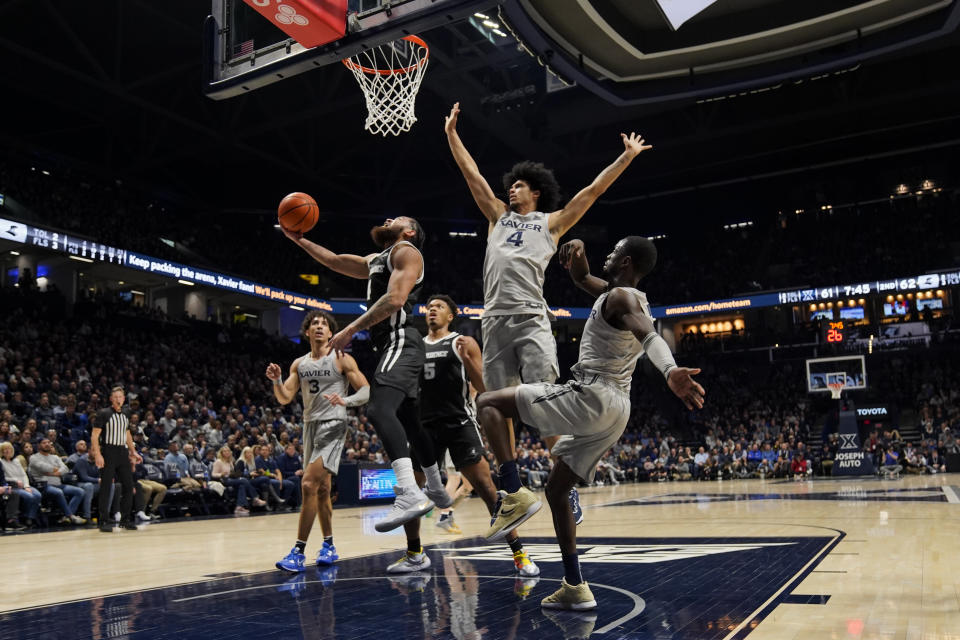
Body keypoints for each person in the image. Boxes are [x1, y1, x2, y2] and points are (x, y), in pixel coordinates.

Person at [445, 102, 653, 525]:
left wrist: (626, 157)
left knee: (546, 397)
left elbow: (591, 192)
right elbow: (473, 176)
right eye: (512, 186)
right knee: (496, 408)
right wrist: (452, 134)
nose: (512, 190)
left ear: (535, 191)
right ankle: (512, 487)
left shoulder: (551, 223)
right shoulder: (497, 217)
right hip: (494, 321)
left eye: (520, 185)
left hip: (531, 317)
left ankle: (565, 484)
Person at [477, 236, 704, 610]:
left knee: (487, 401)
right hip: (618, 409)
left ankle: (513, 490)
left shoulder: (623, 298)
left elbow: (649, 337)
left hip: (593, 394)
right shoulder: (613, 293)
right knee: (557, 491)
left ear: (626, 262)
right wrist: (578, 247)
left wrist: (669, 370)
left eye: (614, 252)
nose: (608, 255)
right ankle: (575, 585)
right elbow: (582, 277)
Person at [282, 216, 451, 531]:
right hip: (389, 345)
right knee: (411, 421)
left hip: (400, 339)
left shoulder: (407, 251)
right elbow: (333, 261)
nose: (387, 218)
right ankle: (435, 484)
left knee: (378, 408)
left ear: (409, 231)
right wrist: (298, 239)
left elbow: (397, 299)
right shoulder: (377, 259)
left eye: (396, 218)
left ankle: (408, 493)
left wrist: (350, 329)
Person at [389, 294, 539, 579]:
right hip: (424, 428)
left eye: (440, 307)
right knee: (410, 491)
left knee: (485, 487)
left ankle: (519, 554)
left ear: (451, 316)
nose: (432, 309)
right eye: (429, 306)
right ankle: (414, 554)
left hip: (459, 423)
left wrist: (472, 364)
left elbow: (484, 386)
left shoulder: (463, 343)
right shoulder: (415, 347)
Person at [270, 310, 371, 572]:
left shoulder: (341, 358)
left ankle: (298, 551)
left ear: (330, 333)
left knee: (307, 483)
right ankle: (329, 546)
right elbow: (284, 398)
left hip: (334, 424)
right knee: (323, 489)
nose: (318, 327)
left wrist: (345, 401)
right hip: (310, 427)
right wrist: (277, 380)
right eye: (314, 324)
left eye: (323, 324)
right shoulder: (299, 364)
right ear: (306, 332)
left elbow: (366, 390)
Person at [91, 386, 142, 532]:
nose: (118, 399)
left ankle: (125, 520)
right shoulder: (103, 413)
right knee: (107, 486)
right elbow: (95, 435)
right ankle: (103, 520)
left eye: (120, 397)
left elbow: (127, 434)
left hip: (122, 452)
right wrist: (98, 454)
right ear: (111, 399)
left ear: (124, 399)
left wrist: (133, 452)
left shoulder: (126, 413)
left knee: (128, 485)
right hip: (108, 451)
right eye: (116, 397)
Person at [29, 437, 87, 525]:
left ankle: (66, 517)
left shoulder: (55, 457)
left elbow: (65, 468)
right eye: (44, 443)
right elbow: (43, 467)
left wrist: (57, 472)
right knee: (58, 492)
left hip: (58, 484)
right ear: (39, 445)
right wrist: (56, 469)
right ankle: (70, 516)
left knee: (80, 491)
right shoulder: (34, 457)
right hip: (43, 486)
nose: (47, 444)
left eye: (49, 442)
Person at [211, 446, 264, 515]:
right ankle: (255, 498)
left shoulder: (230, 461)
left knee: (241, 486)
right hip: (223, 480)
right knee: (243, 480)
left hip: (231, 479)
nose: (227, 452)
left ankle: (239, 507)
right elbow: (213, 474)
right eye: (225, 451)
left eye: (228, 451)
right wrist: (221, 474)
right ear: (221, 453)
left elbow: (232, 473)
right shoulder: (218, 461)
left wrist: (235, 474)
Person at [0, 441, 40, 526]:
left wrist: (26, 486)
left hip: (22, 485)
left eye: (9, 449)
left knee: (37, 495)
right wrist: (15, 481)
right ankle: (21, 517)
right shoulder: (1, 462)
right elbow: (4, 478)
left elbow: (23, 475)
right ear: (2, 451)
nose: (7, 451)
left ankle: (30, 517)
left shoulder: (16, 461)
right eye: (5, 449)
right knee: (29, 497)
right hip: (13, 485)